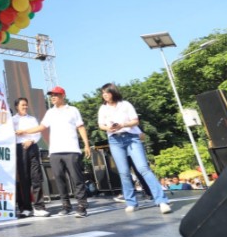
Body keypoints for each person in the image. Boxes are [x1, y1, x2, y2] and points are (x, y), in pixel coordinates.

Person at [96, 84, 172, 214]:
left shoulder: (125, 104)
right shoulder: (103, 108)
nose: (105, 95)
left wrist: (123, 125)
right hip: (115, 140)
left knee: (143, 168)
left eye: (107, 92)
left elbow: (135, 121)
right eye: (103, 93)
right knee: (124, 172)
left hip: (131, 137)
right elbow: (100, 125)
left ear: (113, 92)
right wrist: (108, 128)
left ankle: (162, 200)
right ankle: (131, 202)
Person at [38, 87, 90, 218]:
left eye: (56, 94)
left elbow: (80, 127)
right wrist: (24, 131)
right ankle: (66, 205)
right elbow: (42, 127)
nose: (53, 97)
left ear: (63, 95)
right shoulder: (50, 112)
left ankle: (82, 206)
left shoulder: (73, 110)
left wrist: (87, 145)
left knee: (77, 179)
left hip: (71, 149)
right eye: (51, 95)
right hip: (55, 151)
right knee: (59, 179)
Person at [12, 97, 49, 218]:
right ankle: (26, 208)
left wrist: (31, 140)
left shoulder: (32, 119)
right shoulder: (12, 120)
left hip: (32, 147)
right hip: (19, 148)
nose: (25, 107)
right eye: (23, 105)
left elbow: (38, 133)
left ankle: (39, 207)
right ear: (17, 106)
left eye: (26, 105)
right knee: (24, 180)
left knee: (36, 178)